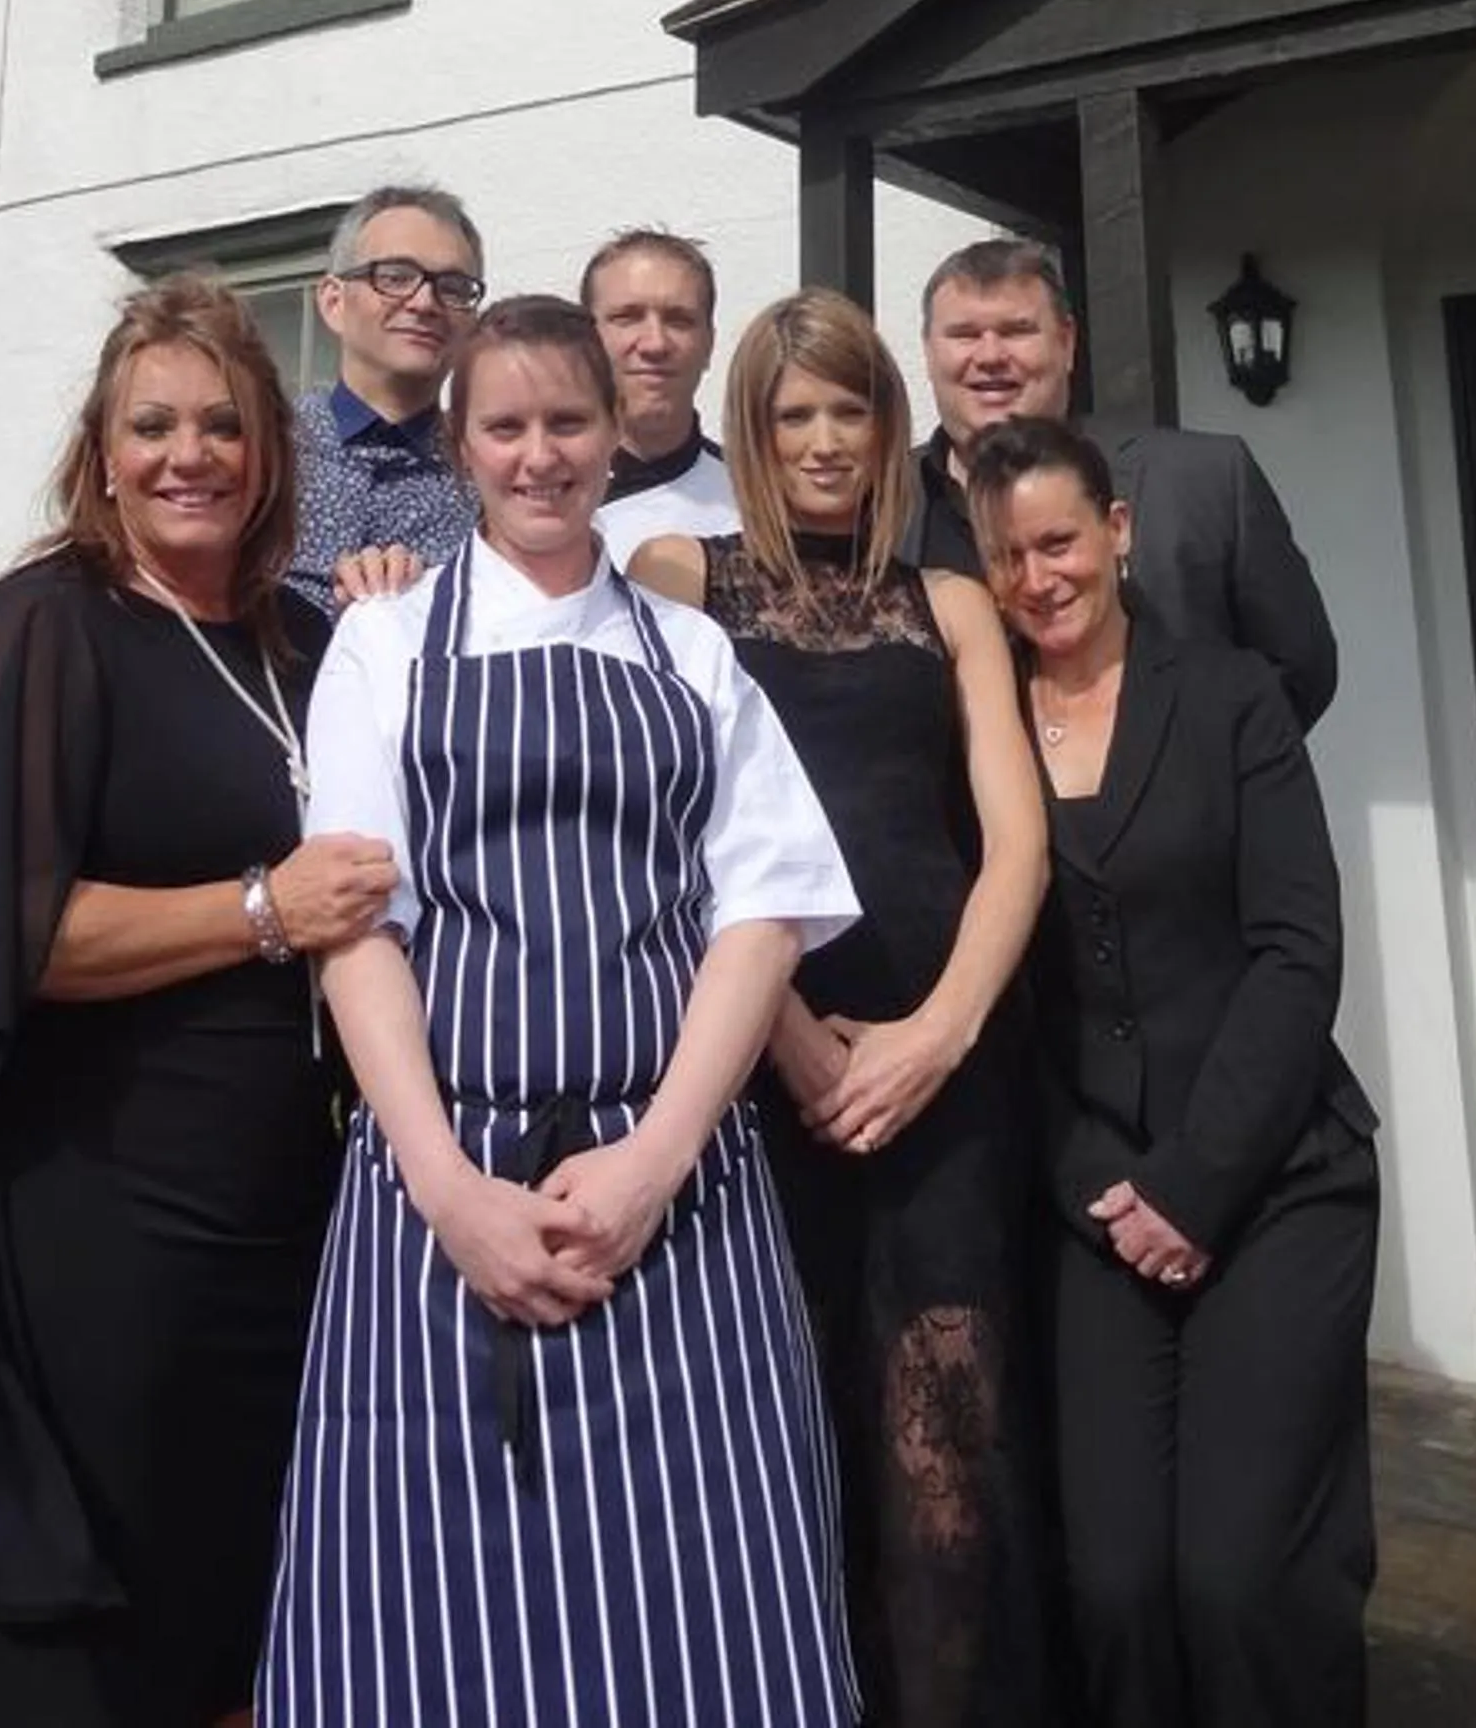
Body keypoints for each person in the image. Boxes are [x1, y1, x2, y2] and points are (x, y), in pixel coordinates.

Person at [256, 295, 860, 1728]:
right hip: (439, 1183)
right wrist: (445, 1188)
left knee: (710, 1601)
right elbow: (355, 933)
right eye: (506, 427)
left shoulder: (690, 654)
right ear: (460, 445)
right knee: (425, 1609)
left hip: (680, 1195)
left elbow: (757, 917)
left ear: (611, 434)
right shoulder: (385, 647)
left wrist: (654, 1161)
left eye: (567, 423)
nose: (540, 457)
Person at [0, 279, 398, 1728]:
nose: (188, 453)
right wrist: (262, 909)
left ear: (271, 455)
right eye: (150, 425)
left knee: (248, 1592)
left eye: (223, 424)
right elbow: (9, 939)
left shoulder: (300, 642)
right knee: (114, 1602)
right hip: (106, 1205)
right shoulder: (50, 628)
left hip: (285, 1200)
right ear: (99, 455)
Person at [629, 288, 1051, 1728]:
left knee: (948, 1448)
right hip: (753, 1066)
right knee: (779, 1434)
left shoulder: (948, 603)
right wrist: (789, 1037)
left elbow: (1014, 841)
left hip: (945, 1070)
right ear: (749, 431)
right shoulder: (681, 576)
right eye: (790, 412)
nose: (820, 440)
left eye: (847, 409)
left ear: (887, 429)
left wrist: (938, 1033)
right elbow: (660, 835)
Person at [967, 415, 1378, 1728]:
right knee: (1118, 1589)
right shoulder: (978, 740)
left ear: (1117, 533)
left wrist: (1194, 1186)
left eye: (1060, 541)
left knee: (1238, 1580)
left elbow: (1295, 952)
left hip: (1272, 1182)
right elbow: (1005, 1002)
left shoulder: (1232, 698)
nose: (1040, 578)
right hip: (1095, 1197)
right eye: (1008, 556)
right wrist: (1104, 1182)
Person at [907, 237, 1339, 729]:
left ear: (1067, 343)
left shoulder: (1205, 482)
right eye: (963, 334)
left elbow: (1300, 669)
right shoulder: (878, 506)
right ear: (927, 351)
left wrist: (1211, 778)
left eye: (1017, 330)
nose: (989, 355)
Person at [286, 183, 485, 613]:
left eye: (452, 287)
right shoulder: (266, 452)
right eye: (395, 277)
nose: (425, 301)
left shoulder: (491, 474)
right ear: (334, 301)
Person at [582, 225, 743, 564]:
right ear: (586, 338)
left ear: (709, 343)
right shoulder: (528, 494)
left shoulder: (757, 505)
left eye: (679, 320)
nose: (655, 343)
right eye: (627, 317)